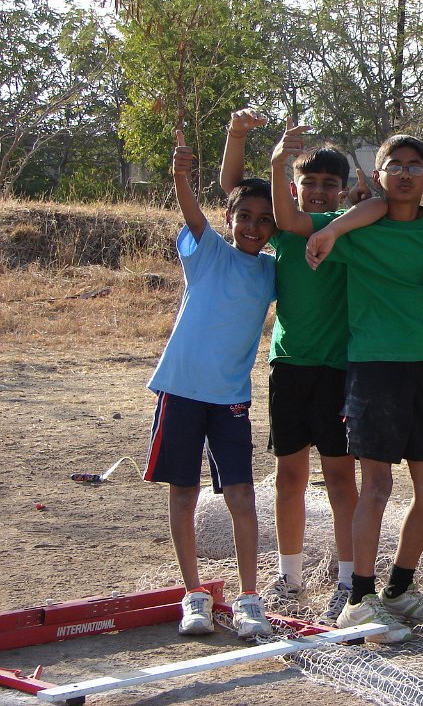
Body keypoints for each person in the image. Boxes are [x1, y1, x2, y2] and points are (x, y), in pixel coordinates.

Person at [221, 109, 384, 624]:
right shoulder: (285, 228)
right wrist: (250, 143)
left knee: (339, 477)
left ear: (342, 190)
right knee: (288, 476)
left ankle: (347, 580)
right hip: (289, 367)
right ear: (293, 187)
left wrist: (366, 194)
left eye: (329, 184)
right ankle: (289, 575)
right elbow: (233, 190)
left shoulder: (350, 230)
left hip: (338, 371)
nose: (318, 191)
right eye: (308, 182)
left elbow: (382, 206)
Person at [302, 133, 423, 643]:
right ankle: (359, 601)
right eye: (396, 165)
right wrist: (337, 224)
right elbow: (298, 222)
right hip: (372, 368)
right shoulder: (356, 229)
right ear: (378, 176)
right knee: (377, 486)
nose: (406, 173)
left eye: (415, 166)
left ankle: (398, 590)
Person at [145, 128, 277, 640]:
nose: (253, 226)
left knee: (241, 495)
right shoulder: (207, 251)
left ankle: (249, 598)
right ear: (229, 217)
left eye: (264, 219)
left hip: (230, 400)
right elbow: (192, 211)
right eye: (245, 216)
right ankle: (194, 594)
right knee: (184, 493)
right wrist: (181, 174)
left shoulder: (271, 271)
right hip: (181, 390)